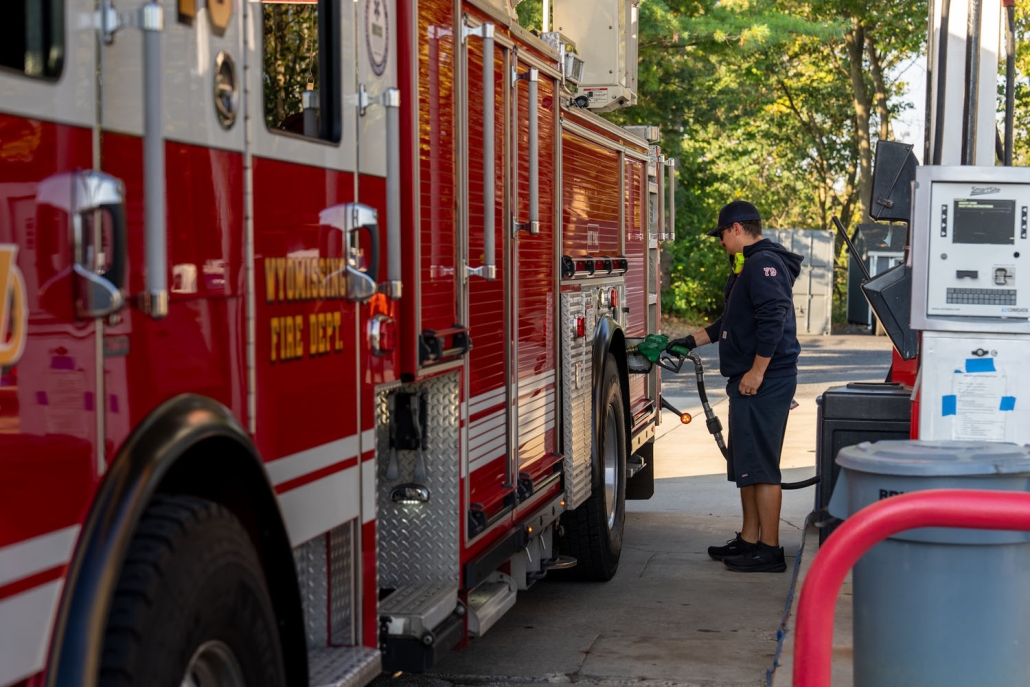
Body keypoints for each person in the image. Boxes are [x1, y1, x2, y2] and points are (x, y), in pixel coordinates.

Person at [668, 200, 802, 573]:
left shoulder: (763, 264)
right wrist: (687, 341)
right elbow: (729, 321)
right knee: (746, 463)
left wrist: (758, 372)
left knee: (762, 466)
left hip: (765, 379)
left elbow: (773, 319)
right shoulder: (746, 266)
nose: (720, 242)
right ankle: (749, 540)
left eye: (722, 235)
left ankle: (770, 550)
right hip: (747, 379)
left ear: (737, 229)